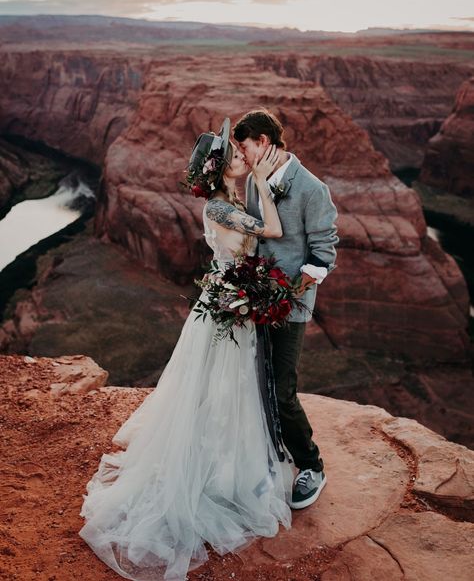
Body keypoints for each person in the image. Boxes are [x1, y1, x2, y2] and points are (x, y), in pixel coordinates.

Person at [78, 118, 297, 581]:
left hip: (231, 301)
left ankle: (229, 469)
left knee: (234, 389)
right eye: (236, 157)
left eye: (244, 153)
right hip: (227, 307)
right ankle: (204, 477)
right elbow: (272, 231)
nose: (243, 157)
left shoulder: (230, 199)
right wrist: (260, 177)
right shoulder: (221, 208)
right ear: (220, 172)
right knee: (217, 390)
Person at [233, 109, 339, 510]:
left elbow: (324, 253)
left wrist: (286, 293)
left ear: (263, 142)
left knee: (282, 388)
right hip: (256, 301)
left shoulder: (312, 189)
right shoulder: (252, 184)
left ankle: (311, 464)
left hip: (289, 307)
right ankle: (272, 458)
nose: (241, 157)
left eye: (244, 147)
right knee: (257, 383)